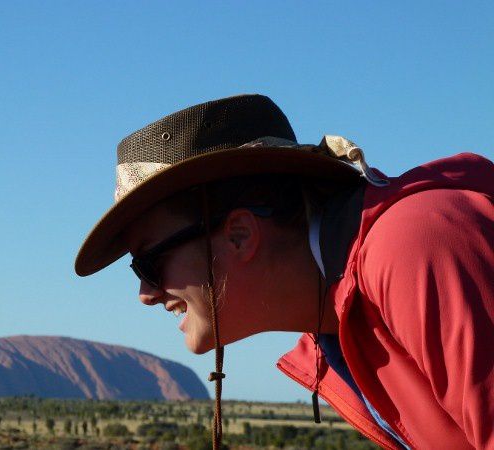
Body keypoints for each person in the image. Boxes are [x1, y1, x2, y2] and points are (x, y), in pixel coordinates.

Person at [74, 94, 494, 449]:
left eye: (148, 261)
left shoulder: (414, 248)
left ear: (239, 234)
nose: (145, 293)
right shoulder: (336, 333)